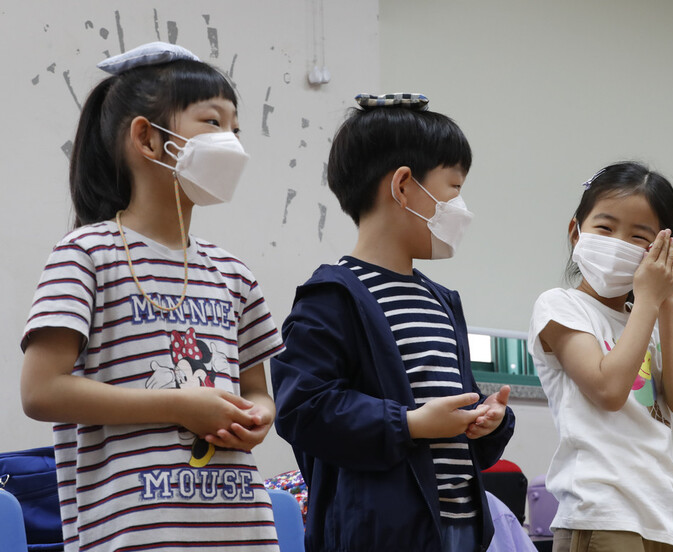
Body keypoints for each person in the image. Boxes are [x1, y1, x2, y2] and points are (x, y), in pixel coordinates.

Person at [19, 42, 284, 551]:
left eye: (235, 128)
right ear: (147, 137)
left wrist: (259, 417)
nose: (230, 141)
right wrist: (180, 406)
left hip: (241, 534)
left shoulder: (233, 273)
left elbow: (257, 391)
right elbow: (41, 392)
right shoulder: (86, 255)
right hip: (135, 537)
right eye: (212, 122)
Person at [270, 93, 515, 552]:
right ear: (404, 186)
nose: (461, 208)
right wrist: (411, 424)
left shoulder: (441, 300)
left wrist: (488, 420)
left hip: (460, 527)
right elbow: (302, 409)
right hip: (379, 533)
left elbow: (450, 421)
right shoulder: (333, 296)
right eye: (454, 189)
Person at [528, 161, 673, 552]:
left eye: (640, 237)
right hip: (603, 514)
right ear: (576, 232)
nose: (618, 243)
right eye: (605, 228)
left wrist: (666, 298)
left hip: (669, 518)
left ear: (662, 249)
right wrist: (648, 304)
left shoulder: (653, 318)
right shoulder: (560, 305)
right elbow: (608, 389)